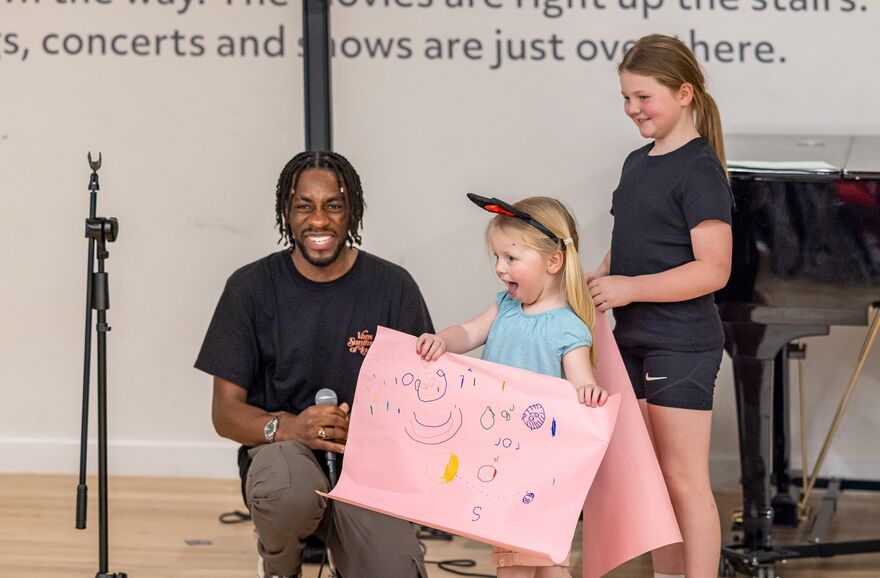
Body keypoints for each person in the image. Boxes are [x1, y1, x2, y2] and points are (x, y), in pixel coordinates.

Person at [195, 151, 434, 578]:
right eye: (304, 206)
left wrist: (364, 426)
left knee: (395, 569)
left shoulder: (392, 286)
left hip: (368, 466)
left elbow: (423, 401)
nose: (319, 221)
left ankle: (354, 555)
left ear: (352, 212)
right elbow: (225, 412)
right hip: (282, 458)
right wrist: (291, 427)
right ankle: (280, 567)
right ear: (287, 212)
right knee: (287, 492)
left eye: (333, 206)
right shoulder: (250, 288)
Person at [586, 34, 733, 578]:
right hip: (632, 338)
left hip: (683, 341)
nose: (632, 110)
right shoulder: (636, 162)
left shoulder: (700, 170)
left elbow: (713, 269)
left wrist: (630, 288)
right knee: (650, 483)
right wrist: (599, 276)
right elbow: (635, 235)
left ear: (685, 94)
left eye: (643, 97)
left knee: (683, 480)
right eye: (626, 98)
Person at [417, 194, 609, 578]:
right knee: (545, 562)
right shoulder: (505, 307)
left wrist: (589, 392)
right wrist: (442, 340)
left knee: (517, 566)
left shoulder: (566, 327)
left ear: (553, 262)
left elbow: (581, 382)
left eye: (511, 258)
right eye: (496, 258)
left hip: (537, 467)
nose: (500, 269)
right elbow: (469, 331)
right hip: (501, 459)